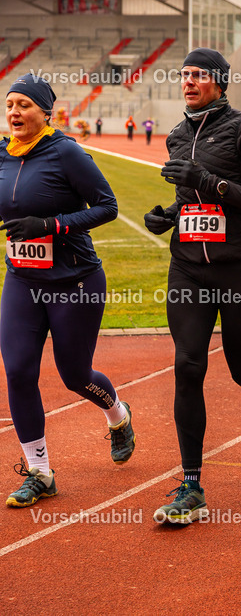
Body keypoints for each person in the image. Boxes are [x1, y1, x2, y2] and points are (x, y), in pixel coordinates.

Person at [144, 48, 241, 525]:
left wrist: (210, 182)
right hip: (188, 267)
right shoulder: (175, 135)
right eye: (184, 74)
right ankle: (192, 484)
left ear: (221, 82)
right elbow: (187, 198)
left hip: (239, 269)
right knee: (187, 366)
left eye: (198, 75)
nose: (188, 81)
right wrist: (166, 217)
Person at [0, 73, 132, 508]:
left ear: (45, 112)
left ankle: (117, 413)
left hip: (73, 281)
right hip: (21, 281)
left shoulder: (67, 152)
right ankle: (39, 472)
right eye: (10, 104)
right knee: (18, 372)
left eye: (24, 105)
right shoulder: (1, 156)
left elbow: (107, 207)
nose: (15, 112)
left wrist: (50, 225)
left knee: (75, 376)